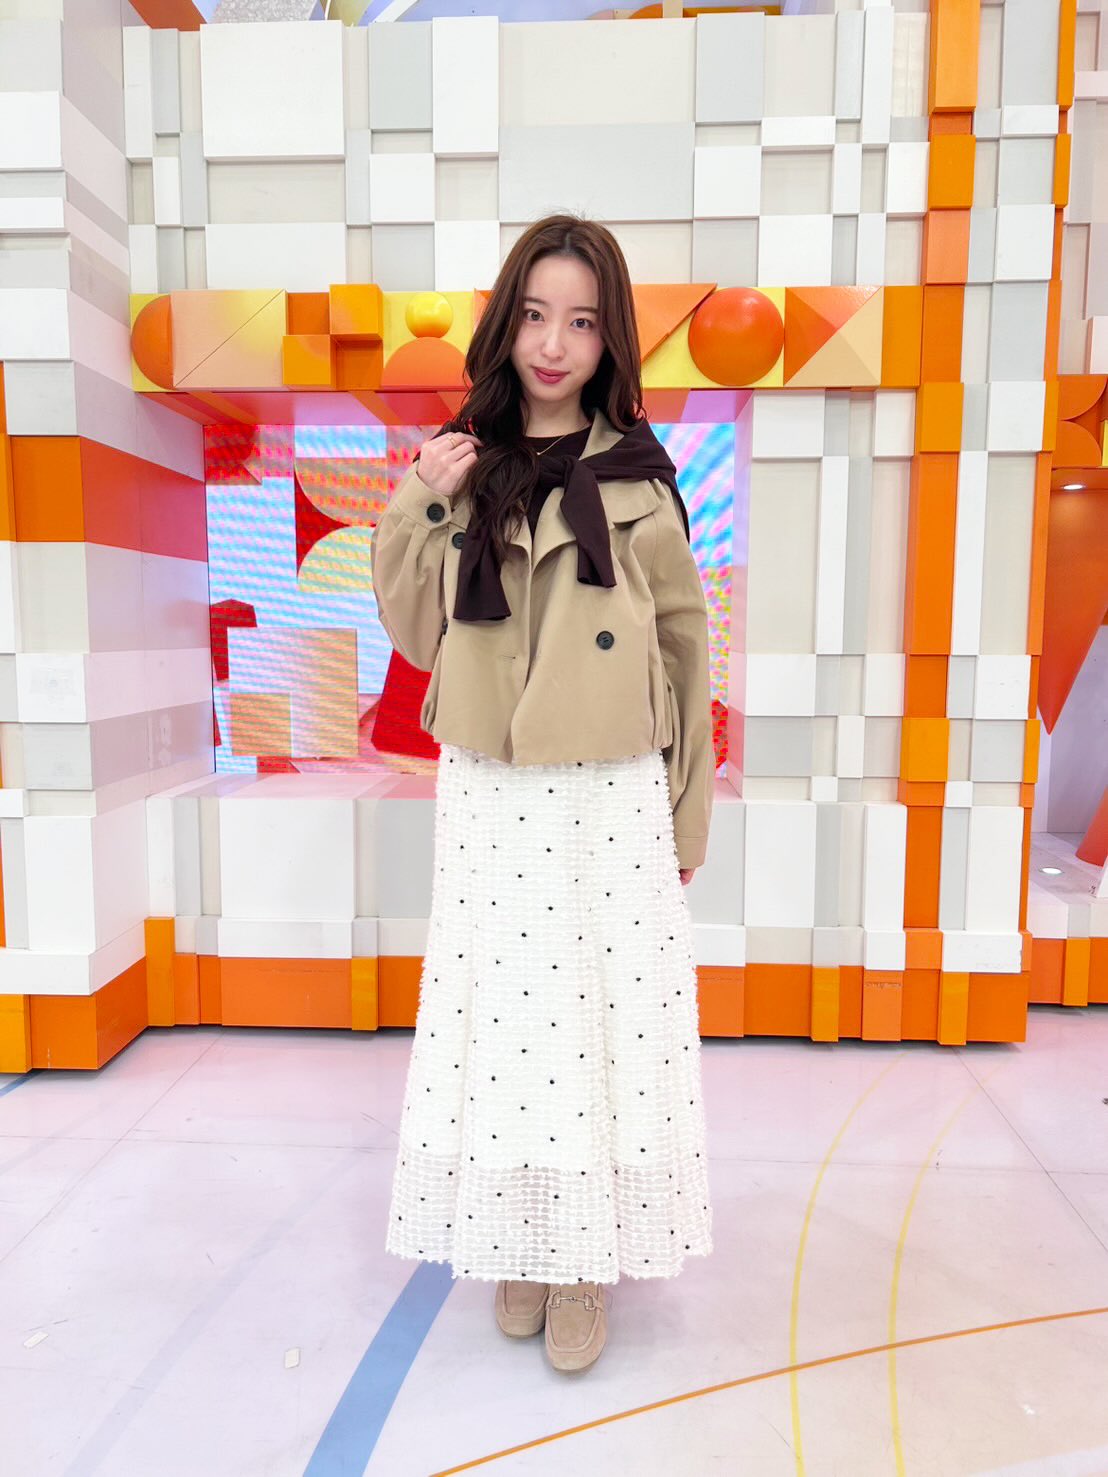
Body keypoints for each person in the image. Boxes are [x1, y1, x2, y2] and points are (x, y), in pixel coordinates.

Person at [370, 212, 714, 1373]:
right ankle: (521, 1231)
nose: (553, 344)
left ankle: (582, 1260)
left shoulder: (643, 482)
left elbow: (685, 651)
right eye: (533, 315)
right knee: (512, 1023)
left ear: (609, 338)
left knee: (597, 1018)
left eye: (580, 321)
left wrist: (685, 810)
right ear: (505, 324)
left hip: (609, 784)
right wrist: (420, 499)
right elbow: (414, 630)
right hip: (493, 781)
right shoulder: (461, 465)